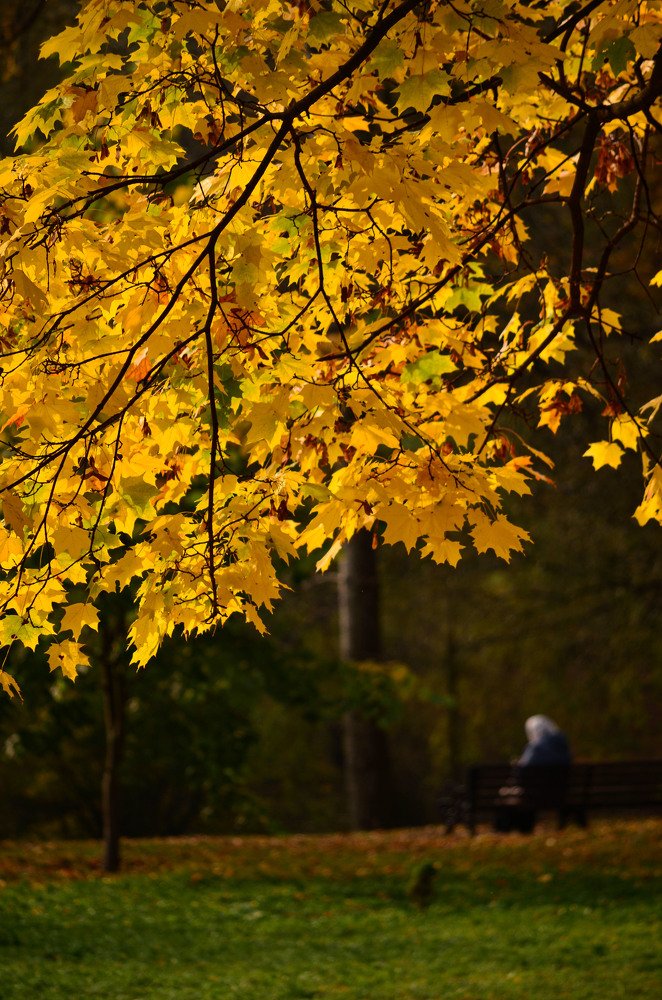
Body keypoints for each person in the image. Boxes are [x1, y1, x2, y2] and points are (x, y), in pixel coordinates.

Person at [494, 715, 572, 833]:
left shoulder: (535, 748)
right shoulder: (563, 747)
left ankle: (508, 829)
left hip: (533, 796)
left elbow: (521, 774)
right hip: (560, 796)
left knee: (510, 798)